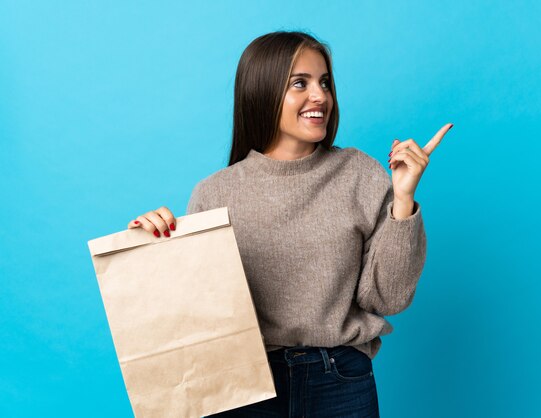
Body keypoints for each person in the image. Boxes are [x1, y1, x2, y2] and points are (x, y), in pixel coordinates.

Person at [127, 30, 452, 418]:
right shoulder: (215, 193)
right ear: (263, 92)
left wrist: (402, 200)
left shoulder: (360, 174)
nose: (320, 96)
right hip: (243, 386)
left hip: (341, 382)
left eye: (325, 83)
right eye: (301, 83)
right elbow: (194, 316)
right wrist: (151, 245)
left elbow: (386, 300)